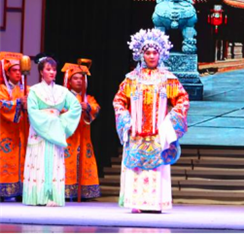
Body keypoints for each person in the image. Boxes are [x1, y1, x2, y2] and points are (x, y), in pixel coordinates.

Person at [114, 29, 189, 213]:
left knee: (157, 169)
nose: (152, 56)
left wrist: (170, 121)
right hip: (136, 133)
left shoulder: (167, 79)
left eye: (155, 52)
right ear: (141, 54)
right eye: (148, 52)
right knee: (137, 169)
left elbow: (183, 100)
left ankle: (156, 203)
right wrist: (126, 120)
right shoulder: (131, 79)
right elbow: (119, 101)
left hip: (157, 134)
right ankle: (136, 203)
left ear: (160, 54)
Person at [22, 56, 81, 206]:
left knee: (55, 162)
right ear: (41, 72)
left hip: (55, 131)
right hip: (39, 131)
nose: (52, 72)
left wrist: (61, 122)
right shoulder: (34, 91)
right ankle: (38, 196)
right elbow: (32, 112)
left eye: (54, 69)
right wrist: (50, 122)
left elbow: (76, 107)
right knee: (39, 161)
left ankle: (53, 197)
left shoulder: (62, 91)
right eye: (48, 69)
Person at [63, 60, 101, 201]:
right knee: (67, 162)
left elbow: (96, 108)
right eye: (75, 78)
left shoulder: (88, 98)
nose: (79, 81)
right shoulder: (64, 97)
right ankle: (67, 191)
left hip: (84, 137)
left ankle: (85, 192)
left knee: (85, 162)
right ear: (69, 81)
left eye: (81, 78)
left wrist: (88, 108)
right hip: (68, 137)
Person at [0, 52, 30, 201]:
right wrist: (18, 103)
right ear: (7, 72)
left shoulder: (26, 89)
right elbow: (2, 104)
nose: (18, 73)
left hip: (22, 132)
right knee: (5, 160)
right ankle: (4, 191)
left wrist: (29, 104)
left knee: (22, 160)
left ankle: (21, 191)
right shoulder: (2, 89)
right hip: (5, 132)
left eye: (19, 70)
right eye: (14, 70)